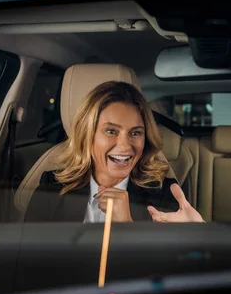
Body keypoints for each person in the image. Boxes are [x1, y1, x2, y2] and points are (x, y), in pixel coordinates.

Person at [25, 81, 202, 223]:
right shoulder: (50, 189)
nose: (125, 146)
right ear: (88, 135)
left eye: (135, 133)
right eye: (111, 131)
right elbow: (28, 262)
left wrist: (126, 224)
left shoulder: (164, 194)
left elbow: (166, 266)